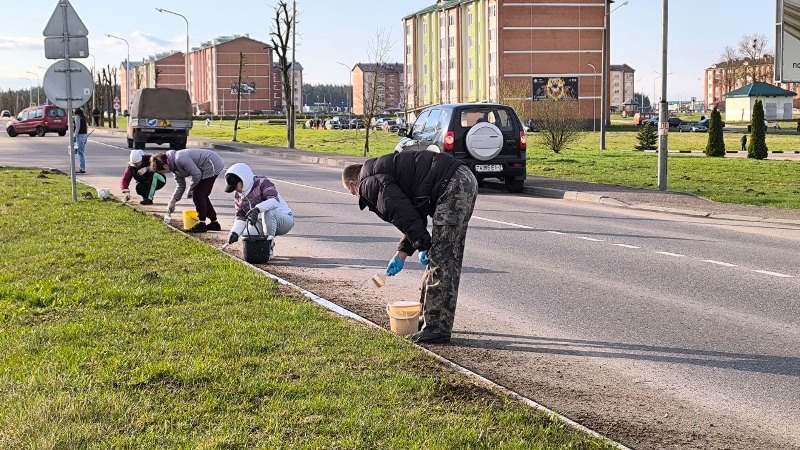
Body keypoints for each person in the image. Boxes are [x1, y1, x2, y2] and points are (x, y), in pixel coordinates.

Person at [342, 151, 478, 344]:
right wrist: (403, 253)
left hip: (453, 185)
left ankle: (437, 329)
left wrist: (423, 244)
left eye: (354, 193)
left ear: (352, 184)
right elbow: (414, 213)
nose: (359, 196)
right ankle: (427, 319)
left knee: (443, 261)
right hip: (458, 180)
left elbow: (400, 211)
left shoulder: (367, 183)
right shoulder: (377, 172)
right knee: (438, 258)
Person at [224, 163, 294, 256]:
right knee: (248, 234)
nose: (235, 190)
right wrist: (235, 232)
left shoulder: (262, 182)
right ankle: (261, 253)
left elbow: (274, 200)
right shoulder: (238, 194)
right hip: (262, 222)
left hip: (283, 220)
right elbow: (241, 216)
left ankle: (269, 246)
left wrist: (257, 209)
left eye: (235, 186)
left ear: (243, 180)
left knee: (268, 212)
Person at [150, 149, 224, 233]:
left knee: (198, 194)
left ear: (165, 166)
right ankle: (214, 223)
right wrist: (173, 201)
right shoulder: (174, 168)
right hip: (204, 167)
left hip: (212, 163)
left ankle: (202, 224)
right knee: (202, 195)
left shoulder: (180, 159)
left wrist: (190, 189)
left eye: (163, 172)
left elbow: (197, 174)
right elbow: (181, 185)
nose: (165, 173)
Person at [73, 108, 88, 174]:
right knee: (81, 152)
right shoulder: (84, 117)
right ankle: (82, 167)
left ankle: (82, 168)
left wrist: (74, 136)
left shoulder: (77, 117)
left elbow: (77, 127)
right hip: (84, 135)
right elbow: (86, 126)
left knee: (80, 153)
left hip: (80, 135)